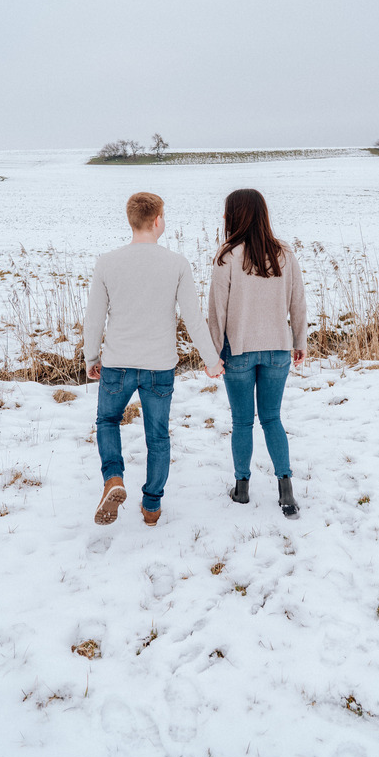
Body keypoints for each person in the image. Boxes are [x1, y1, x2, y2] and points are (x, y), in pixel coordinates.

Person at [84, 192, 224, 528]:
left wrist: (91, 356)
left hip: (117, 363)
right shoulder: (176, 263)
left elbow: (94, 317)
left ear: (131, 221)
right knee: (157, 436)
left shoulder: (107, 262)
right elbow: (193, 318)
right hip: (159, 367)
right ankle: (151, 506)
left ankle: (114, 479)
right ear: (158, 220)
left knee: (107, 421)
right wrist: (211, 360)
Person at [208, 188, 307, 519]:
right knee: (272, 417)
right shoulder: (285, 255)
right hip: (278, 349)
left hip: (239, 351)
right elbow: (298, 303)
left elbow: (216, 312)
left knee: (241, 421)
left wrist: (213, 354)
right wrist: (299, 341)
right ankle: (286, 489)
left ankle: (242, 488)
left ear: (235, 216)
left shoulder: (227, 257)